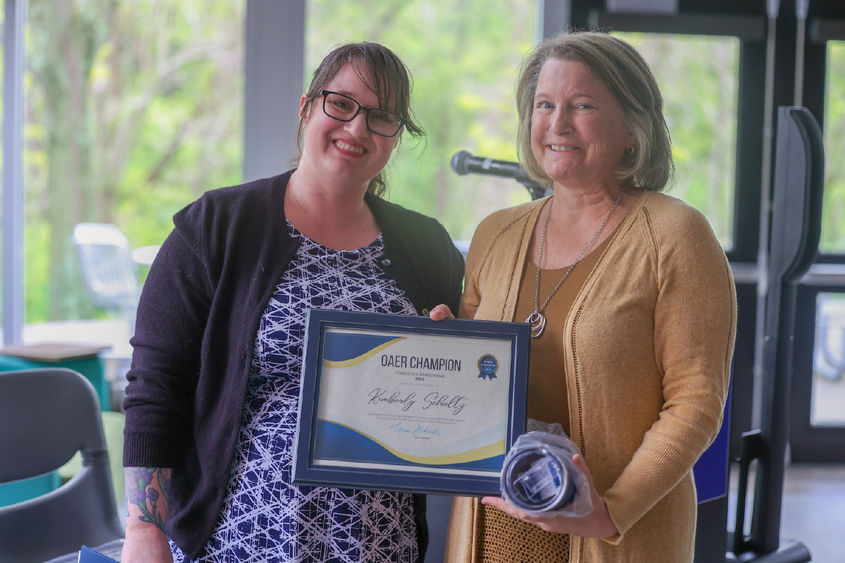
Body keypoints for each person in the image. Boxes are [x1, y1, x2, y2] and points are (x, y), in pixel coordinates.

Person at [121, 42, 464, 563]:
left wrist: (450, 354)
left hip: (377, 545)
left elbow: (457, 401)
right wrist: (144, 533)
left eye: (382, 117)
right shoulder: (216, 226)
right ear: (307, 108)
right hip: (235, 540)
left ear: (396, 137)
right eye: (341, 104)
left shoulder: (427, 245)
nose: (356, 129)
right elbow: (155, 388)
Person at [434, 31, 736, 562]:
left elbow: (695, 404)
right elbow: (474, 381)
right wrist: (441, 352)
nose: (557, 124)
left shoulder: (676, 235)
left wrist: (611, 510)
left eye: (583, 105)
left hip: (615, 533)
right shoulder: (495, 233)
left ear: (631, 127)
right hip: (494, 532)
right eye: (545, 105)